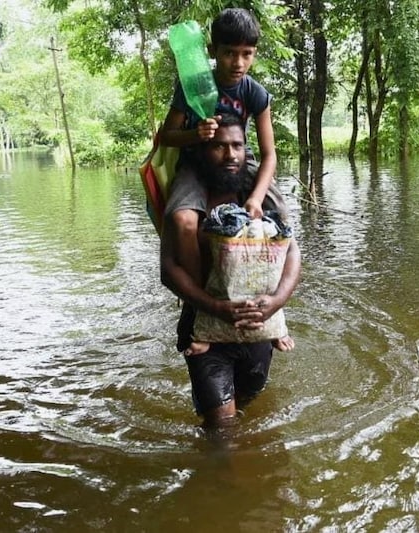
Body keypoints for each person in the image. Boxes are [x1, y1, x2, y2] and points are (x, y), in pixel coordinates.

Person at [160, 115, 301, 429]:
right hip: (204, 323)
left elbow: (291, 251)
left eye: (237, 146)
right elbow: (168, 270)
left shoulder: (257, 196)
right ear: (202, 152)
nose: (230, 155)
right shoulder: (188, 202)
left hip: (256, 325)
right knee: (221, 428)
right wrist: (214, 308)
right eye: (219, 147)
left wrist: (277, 302)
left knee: (248, 402)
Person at [159, 7, 288, 326]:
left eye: (248, 54)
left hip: (238, 160)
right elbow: (166, 137)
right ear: (213, 51)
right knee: (184, 221)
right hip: (195, 161)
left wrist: (256, 198)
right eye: (230, 53)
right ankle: (202, 296)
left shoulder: (254, 92)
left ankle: (271, 297)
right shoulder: (193, 86)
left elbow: (270, 154)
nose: (239, 63)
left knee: (281, 217)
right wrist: (195, 133)